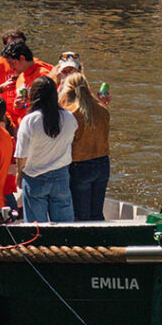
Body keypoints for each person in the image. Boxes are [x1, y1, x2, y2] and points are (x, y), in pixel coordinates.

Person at [15, 77, 77, 222]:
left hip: (35, 177)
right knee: (64, 227)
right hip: (61, 176)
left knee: (36, 229)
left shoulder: (30, 121)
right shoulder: (69, 118)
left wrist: (19, 174)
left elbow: (21, 155)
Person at [59, 72, 110, 221]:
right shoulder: (103, 109)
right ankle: (101, 241)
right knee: (97, 213)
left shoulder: (70, 113)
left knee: (80, 216)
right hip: (103, 163)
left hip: (80, 165)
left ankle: (84, 242)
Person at [2, 39, 52, 122]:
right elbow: (19, 111)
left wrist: (26, 104)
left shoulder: (43, 75)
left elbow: (49, 105)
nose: (11, 68)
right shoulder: (21, 77)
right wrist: (16, 106)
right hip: (24, 126)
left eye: (12, 63)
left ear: (22, 58)